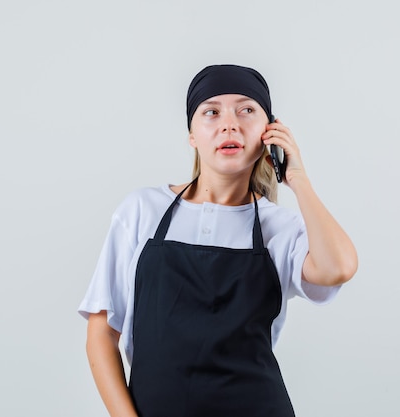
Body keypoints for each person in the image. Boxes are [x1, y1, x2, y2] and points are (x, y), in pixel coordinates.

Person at [78, 64, 358, 417]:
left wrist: (297, 178)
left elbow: (339, 267)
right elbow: (101, 334)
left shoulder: (278, 227)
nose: (229, 124)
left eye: (247, 110)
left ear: (269, 131)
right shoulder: (142, 210)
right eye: (211, 112)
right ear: (192, 135)